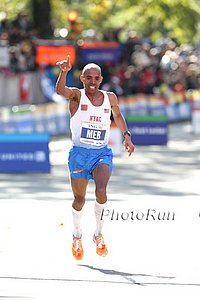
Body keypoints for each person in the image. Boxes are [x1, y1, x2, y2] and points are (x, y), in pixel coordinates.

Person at [56, 55, 135, 260]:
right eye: (88, 78)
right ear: (82, 78)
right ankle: (76, 235)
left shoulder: (110, 98)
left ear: (101, 79)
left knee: (101, 191)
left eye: (96, 78)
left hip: (101, 153)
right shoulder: (76, 96)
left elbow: (117, 115)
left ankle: (98, 234)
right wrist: (64, 72)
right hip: (79, 154)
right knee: (79, 200)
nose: (92, 82)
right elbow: (60, 91)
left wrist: (126, 136)